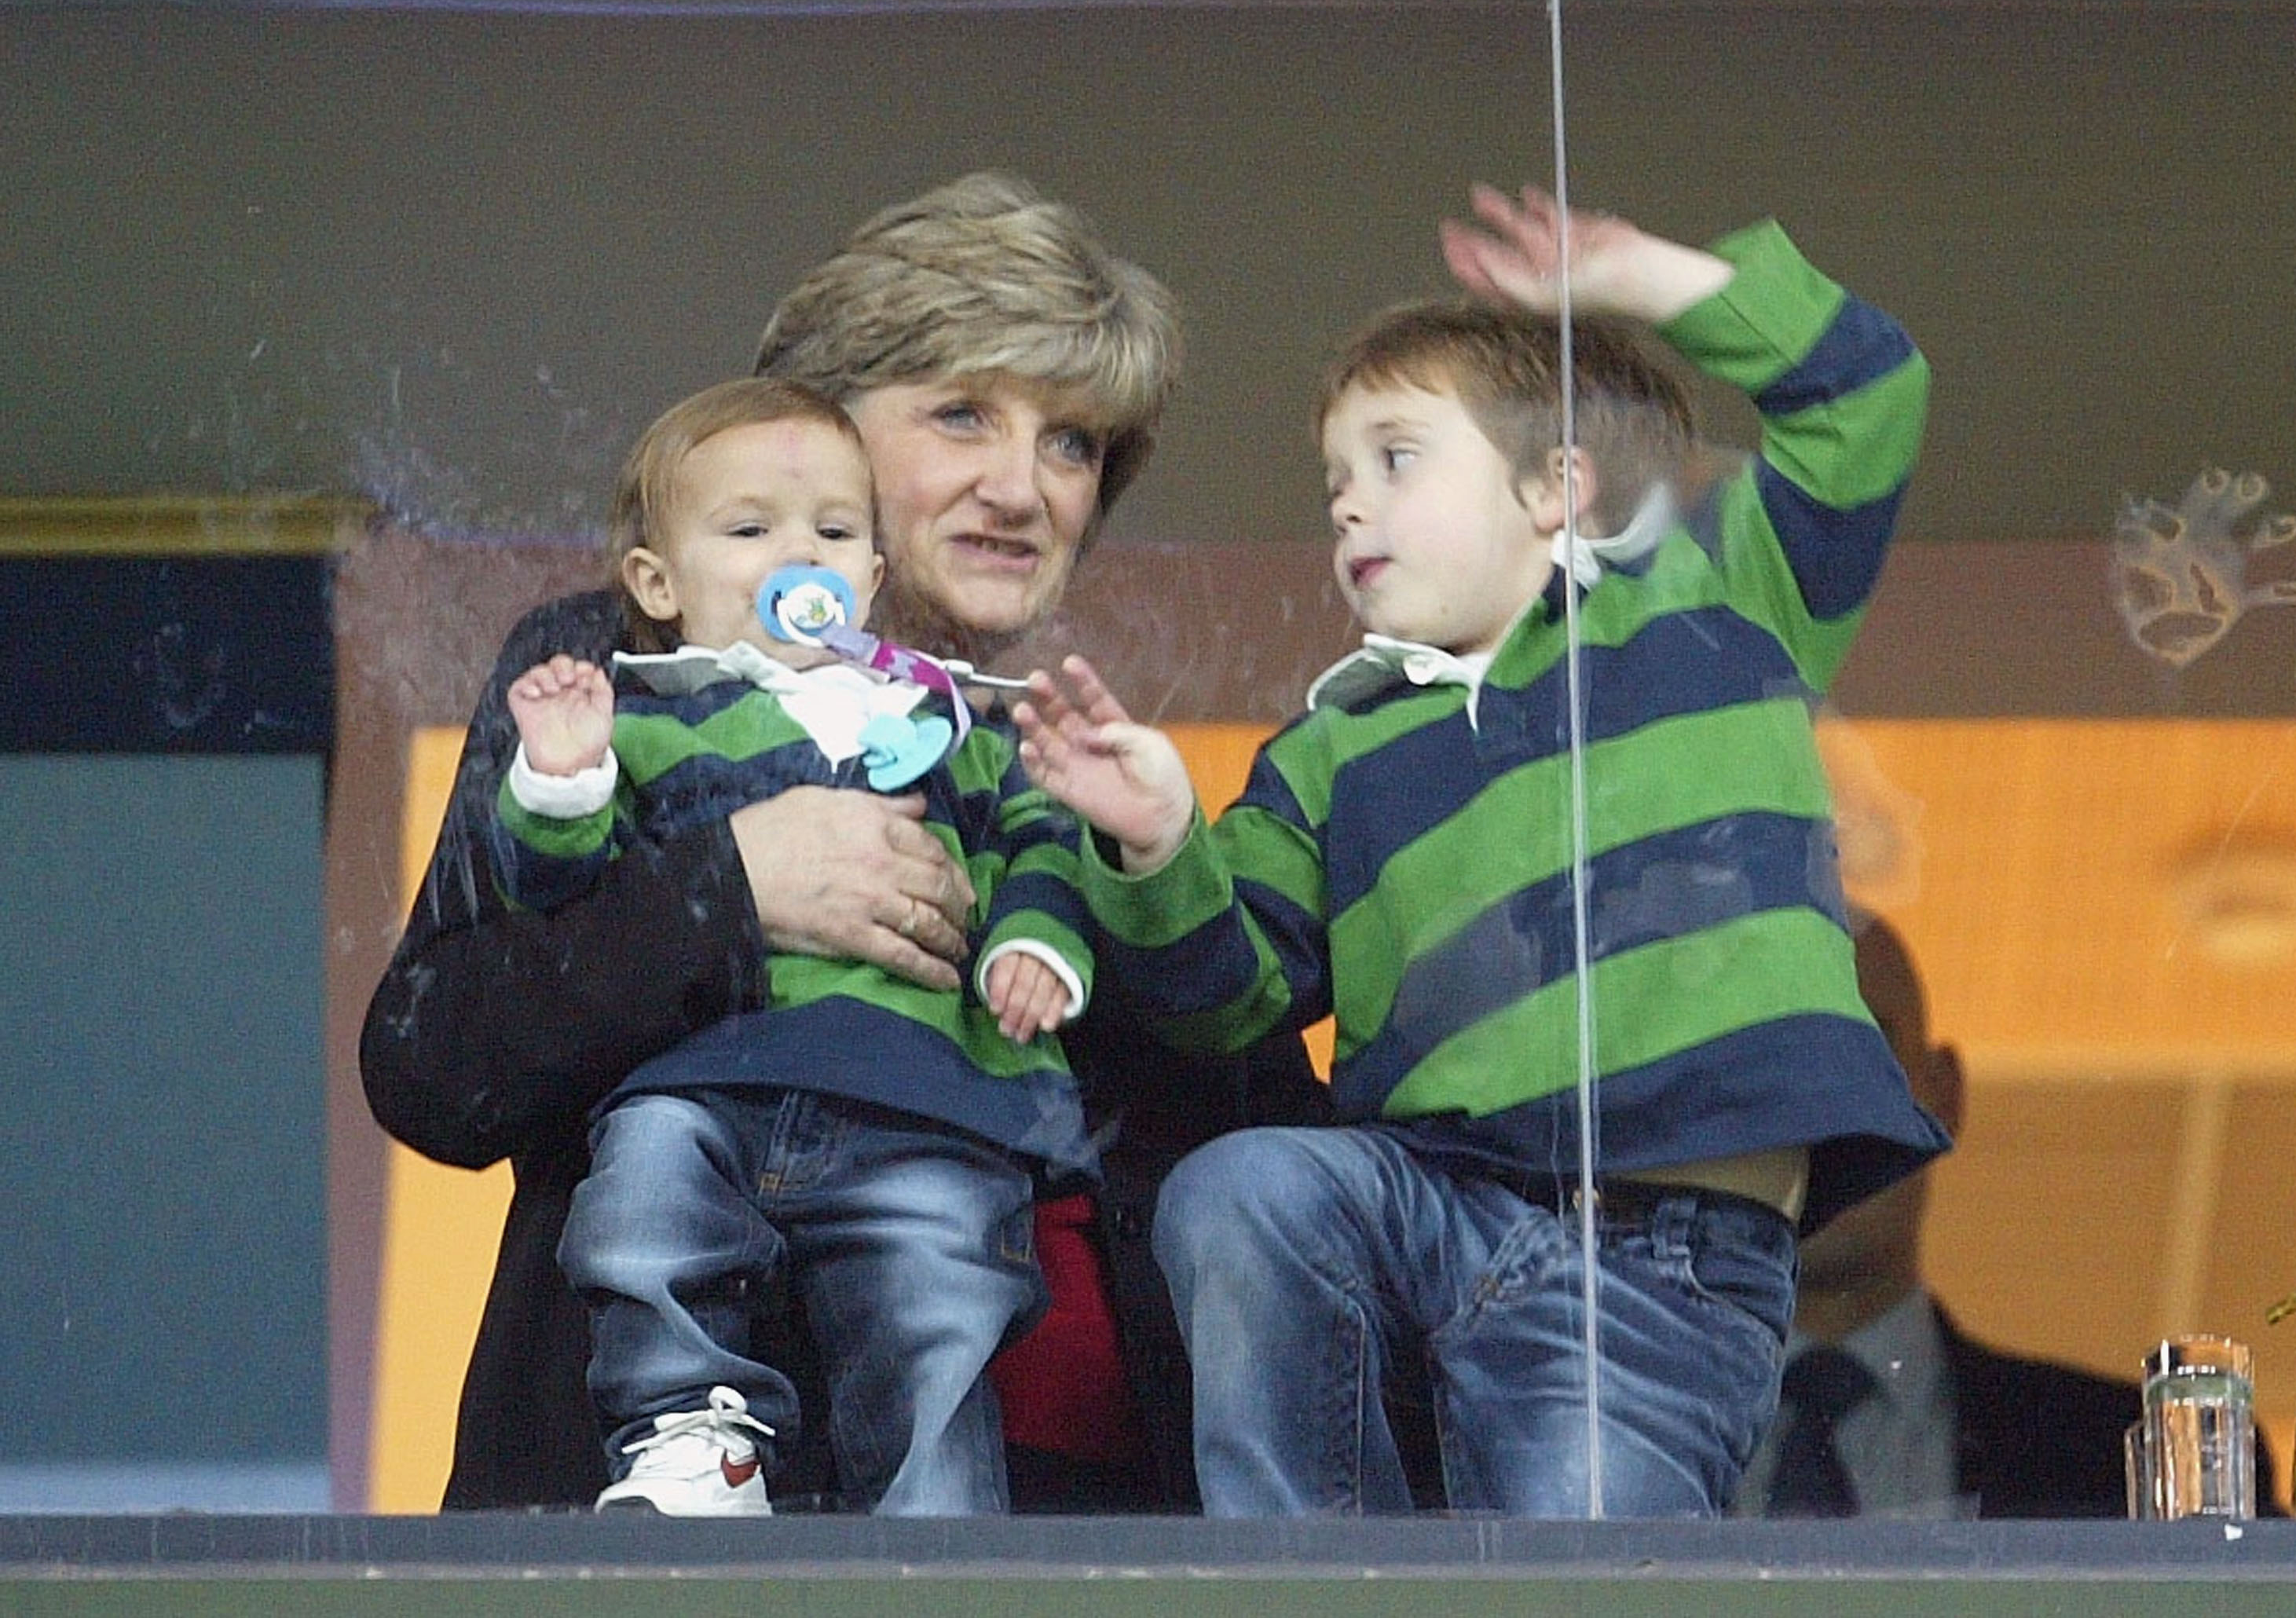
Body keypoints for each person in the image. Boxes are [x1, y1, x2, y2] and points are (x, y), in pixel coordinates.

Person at [359, 172, 1326, 1514]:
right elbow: (436, 1059)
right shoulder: (627, 666)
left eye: (1073, 444)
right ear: (813, 427)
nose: (1023, 485)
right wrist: (738, 884)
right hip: (729, 1524)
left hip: (1081, 1523)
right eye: (962, 415)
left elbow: (1271, 1156)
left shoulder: (1052, 749)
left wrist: (1146, 878)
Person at [1013, 186, 1950, 1517]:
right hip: (1438, 1211)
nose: (1347, 507)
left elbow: (1867, 397)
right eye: (1334, 480)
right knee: (1250, 1186)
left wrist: (1646, 277)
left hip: (1660, 1259)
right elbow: (1228, 1000)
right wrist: (1162, 845)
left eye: (1396, 459)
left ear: (1556, 485)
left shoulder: (1713, 610)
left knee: (1574, 1565)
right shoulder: (1334, 747)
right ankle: (1308, 1572)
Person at [485, 377, 1097, 1515]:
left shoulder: (944, 722)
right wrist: (561, 783)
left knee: (945, 1285)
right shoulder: (649, 719)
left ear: (869, 576)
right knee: (640, 1200)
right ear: (657, 585)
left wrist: (1038, 944)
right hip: (706, 1084)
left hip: (919, 1095)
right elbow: (558, 903)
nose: (796, 555)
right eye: (750, 528)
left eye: (830, 530)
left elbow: (1038, 838)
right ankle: (692, 1444)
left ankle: (942, 1522)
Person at [1733, 915, 2283, 1518]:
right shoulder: (1621, 1458)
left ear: (1943, 1095)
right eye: (1771, 1064)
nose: (1820, 1111)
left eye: (1863, 1054)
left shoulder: (2125, 1463)